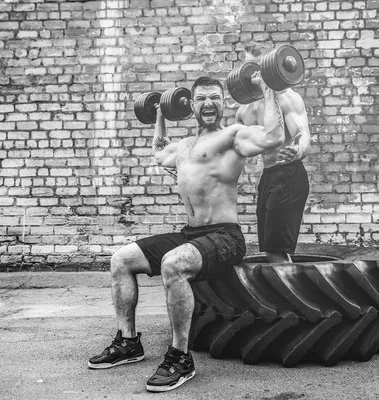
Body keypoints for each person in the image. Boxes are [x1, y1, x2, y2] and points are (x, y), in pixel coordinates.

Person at [88, 75, 285, 392]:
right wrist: (160, 117)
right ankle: (128, 343)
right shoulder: (182, 148)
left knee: (172, 264)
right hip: (191, 234)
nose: (209, 103)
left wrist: (268, 89)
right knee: (121, 259)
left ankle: (180, 357)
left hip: (224, 237)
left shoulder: (233, 136)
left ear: (223, 103)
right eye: (202, 98)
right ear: (191, 105)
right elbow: (158, 152)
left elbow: (274, 136)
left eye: (215, 98)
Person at [234, 41, 311, 264]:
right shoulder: (244, 110)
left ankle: (292, 298)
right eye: (250, 69)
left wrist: (298, 150)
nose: (255, 75)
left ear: (270, 67)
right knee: (270, 251)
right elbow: (231, 145)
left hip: (289, 174)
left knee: (277, 251)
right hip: (268, 177)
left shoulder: (288, 98)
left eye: (259, 68)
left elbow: (303, 135)